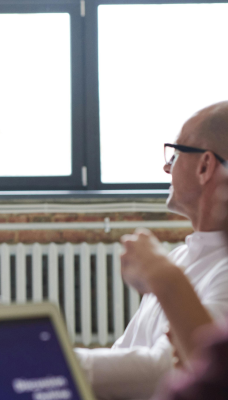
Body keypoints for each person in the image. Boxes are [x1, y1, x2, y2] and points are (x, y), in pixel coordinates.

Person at [75, 101, 228, 399]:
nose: (166, 166)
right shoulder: (180, 256)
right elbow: (128, 349)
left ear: (205, 166)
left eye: (175, 154)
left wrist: (49, 360)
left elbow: (168, 369)